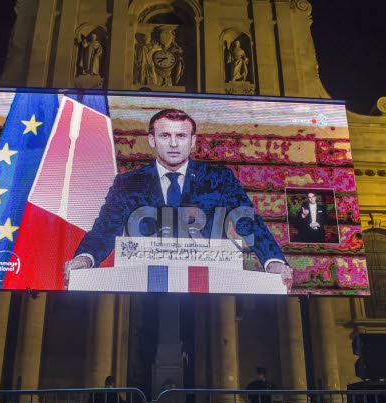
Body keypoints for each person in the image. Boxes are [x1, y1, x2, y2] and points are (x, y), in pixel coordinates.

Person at [63, 108, 293, 287]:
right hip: (143, 286)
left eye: (181, 136)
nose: (174, 144)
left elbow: (248, 223)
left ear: (192, 140)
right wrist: (85, 259)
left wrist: (273, 261)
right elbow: (105, 229)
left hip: (205, 287)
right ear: (152, 140)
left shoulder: (220, 178)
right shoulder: (128, 183)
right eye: (165, 135)